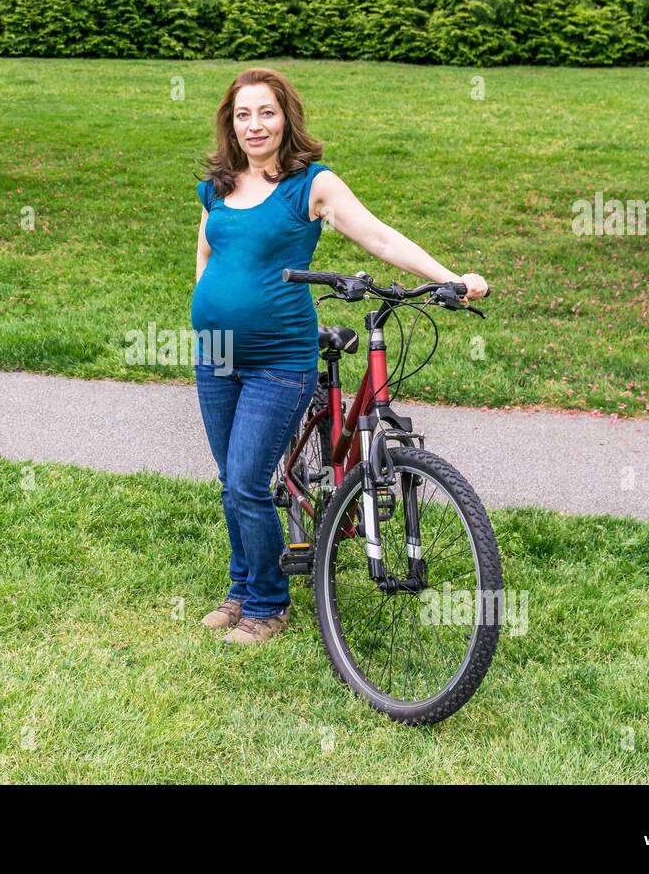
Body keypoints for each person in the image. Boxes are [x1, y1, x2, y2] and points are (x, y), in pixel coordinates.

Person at [191, 67, 489, 645]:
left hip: (278, 360)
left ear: (286, 119)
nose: (255, 125)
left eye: (267, 113)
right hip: (215, 357)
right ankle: (242, 584)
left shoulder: (312, 185)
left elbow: (378, 237)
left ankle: (268, 606)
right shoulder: (217, 186)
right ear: (231, 121)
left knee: (248, 480)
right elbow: (206, 252)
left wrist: (450, 277)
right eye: (243, 114)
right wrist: (203, 307)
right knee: (233, 477)